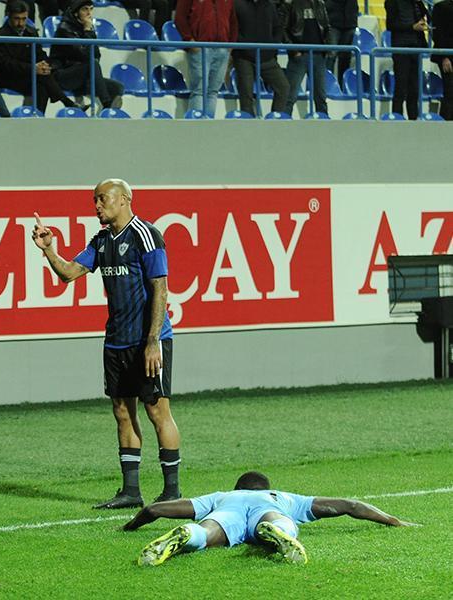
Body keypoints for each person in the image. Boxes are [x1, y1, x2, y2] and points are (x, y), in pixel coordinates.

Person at [32, 179, 180, 510]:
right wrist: (49, 249)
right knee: (122, 412)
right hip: (116, 342)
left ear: (124, 200)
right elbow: (69, 273)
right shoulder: (101, 241)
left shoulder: (146, 235)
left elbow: (160, 287)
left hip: (147, 340)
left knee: (157, 410)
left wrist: (153, 341)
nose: (97, 205)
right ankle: (131, 492)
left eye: (103, 199)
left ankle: (172, 492)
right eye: (94, 200)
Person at [123, 471, 418, 566]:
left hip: (227, 512)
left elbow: (154, 510)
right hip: (269, 510)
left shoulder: (222, 496)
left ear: (238, 488)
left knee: (208, 531)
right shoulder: (281, 496)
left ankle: (188, 534)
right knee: (281, 522)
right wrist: (394, 520)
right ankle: (276, 531)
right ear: (266, 487)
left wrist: (129, 526)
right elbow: (350, 505)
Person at [0, 0, 84, 113]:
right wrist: (33, 68)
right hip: (7, 77)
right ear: (8, 16)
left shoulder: (31, 32)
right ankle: (67, 103)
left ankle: (38, 116)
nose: (20, 23)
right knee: (41, 78)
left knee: (41, 82)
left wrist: (46, 65)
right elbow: (5, 64)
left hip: (26, 74)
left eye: (24, 19)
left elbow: (40, 54)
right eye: (17, 19)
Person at [50, 0, 125, 110]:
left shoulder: (86, 28)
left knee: (117, 87)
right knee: (92, 64)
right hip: (63, 76)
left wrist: (89, 31)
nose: (89, 13)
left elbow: (96, 54)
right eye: (85, 9)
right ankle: (106, 103)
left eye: (91, 9)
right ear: (76, 13)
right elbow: (85, 55)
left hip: (82, 75)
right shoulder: (64, 29)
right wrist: (88, 31)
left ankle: (106, 114)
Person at [175, 0, 237, 117]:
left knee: (213, 92)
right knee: (199, 90)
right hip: (201, 48)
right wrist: (190, 40)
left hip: (222, 49)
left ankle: (208, 124)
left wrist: (230, 45)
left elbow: (233, 21)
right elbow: (180, 18)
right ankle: (196, 124)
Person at [234, 0, 289, 116]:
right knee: (246, 94)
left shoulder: (269, 5)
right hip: (243, 57)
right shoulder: (238, 4)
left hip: (267, 57)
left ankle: (276, 119)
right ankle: (248, 122)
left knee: (283, 87)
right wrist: (242, 45)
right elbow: (232, 28)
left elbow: (278, 28)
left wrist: (272, 46)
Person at [281, 0, 330, 116]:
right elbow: (283, 29)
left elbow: (327, 27)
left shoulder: (320, 4)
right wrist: (294, 50)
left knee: (321, 97)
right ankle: (284, 123)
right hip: (299, 57)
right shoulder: (291, 4)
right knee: (289, 97)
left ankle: (323, 123)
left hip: (319, 55)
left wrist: (327, 48)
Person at [385, 0, 430, 119]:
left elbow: (428, 17)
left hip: (416, 48)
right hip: (401, 48)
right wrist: (412, 27)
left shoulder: (417, 3)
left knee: (414, 90)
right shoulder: (392, 2)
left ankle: (414, 121)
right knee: (400, 88)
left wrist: (421, 5)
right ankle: (397, 119)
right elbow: (390, 25)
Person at [325, 0, 357, 80]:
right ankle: (328, 83)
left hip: (350, 23)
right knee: (331, 56)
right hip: (333, 23)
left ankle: (343, 84)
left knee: (345, 58)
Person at [432, 0, 453, 120]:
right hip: (447, 56)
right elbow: (438, 34)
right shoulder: (440, 7)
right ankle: (446, 123)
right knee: (450, 91)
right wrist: (444, 57)